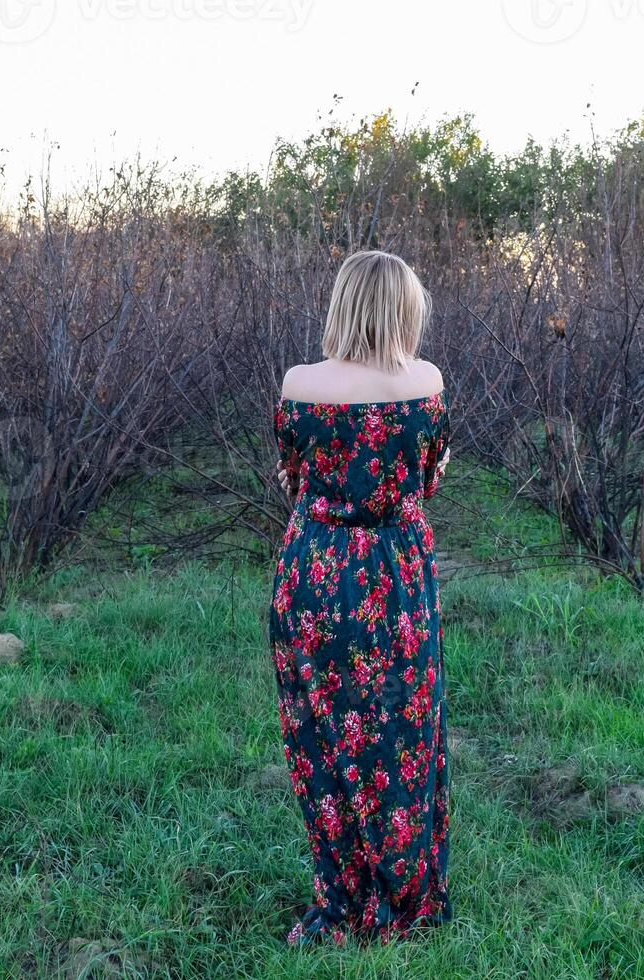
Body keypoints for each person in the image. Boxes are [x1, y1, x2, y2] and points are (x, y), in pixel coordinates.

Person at [268, 249, 453, 945]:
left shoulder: (299, 384)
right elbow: (428, 482)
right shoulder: (426, 382)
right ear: (404, 309)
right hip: (397, 575)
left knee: (323, 740)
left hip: (314, 576)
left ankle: (341, 895)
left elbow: (291, 479)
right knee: (404, 736)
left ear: (343, 305)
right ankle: (404, 894)